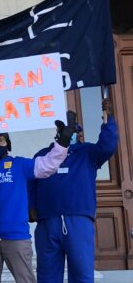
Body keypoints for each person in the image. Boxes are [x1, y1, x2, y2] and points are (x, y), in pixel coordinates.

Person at [31, 100, 118, 283]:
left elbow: (108, 145)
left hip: (78, 221)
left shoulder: (88, 152)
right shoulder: (43, 155)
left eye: (72, 131)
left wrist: (108, 119)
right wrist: (30, 207)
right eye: (64, 131)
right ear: (57, 133)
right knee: (47, 277)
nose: (68, 134)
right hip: (47, 222)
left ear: (78, 134)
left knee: (82, 276)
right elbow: (31, 183)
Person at [0, 116, 75, 283]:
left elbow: (47, 165)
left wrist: (63, 142)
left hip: (16, 237)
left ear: (8, 144)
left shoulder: (20, 165)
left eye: (0, 140)